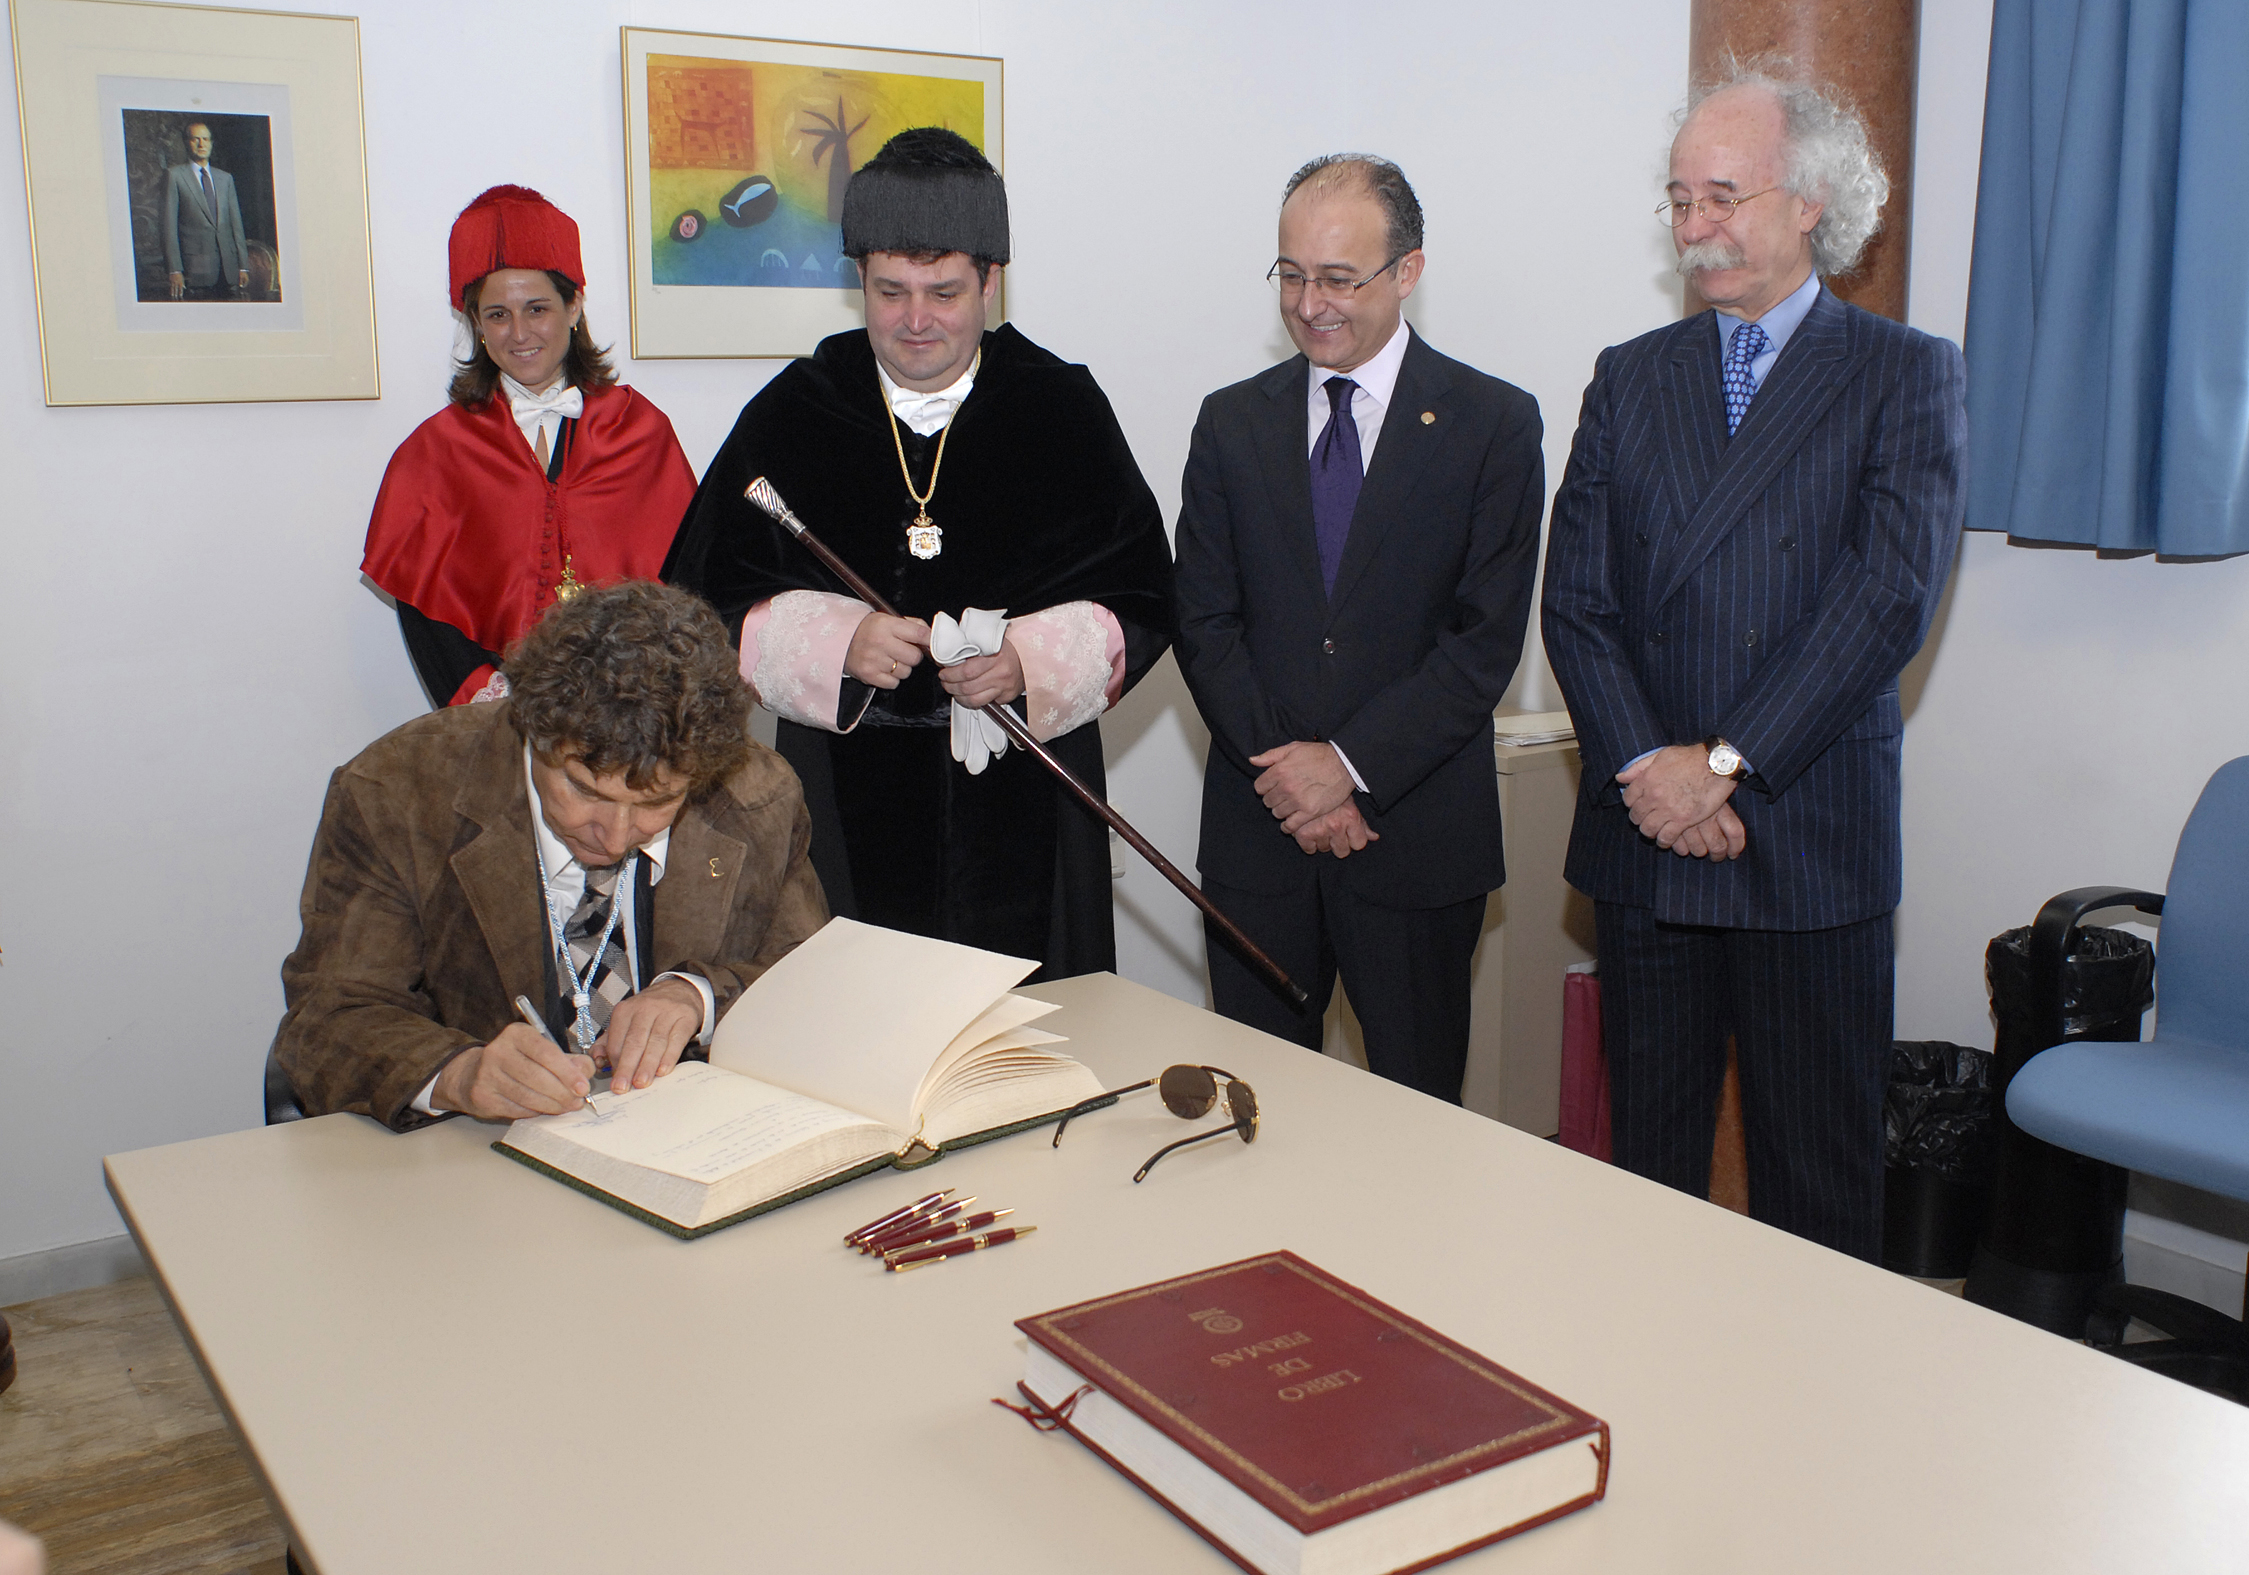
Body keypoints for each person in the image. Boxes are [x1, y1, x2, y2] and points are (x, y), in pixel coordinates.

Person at [1540, 66, 1967, 1259]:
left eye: (1719, 196)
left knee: (1816, 1193)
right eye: (1676, 200)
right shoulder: (1632, 376)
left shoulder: (1901, 372)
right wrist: (1648, 771)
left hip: (1803, 836)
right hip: (1648, 836)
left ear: (1810, 201)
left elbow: (1883, 600)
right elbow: (1574, 604)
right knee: (1647, 1181)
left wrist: (1721, 764)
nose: (1690, 228)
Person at [665, 128, 1173, 980]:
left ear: (990, 281)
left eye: (943, 293)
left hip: (1026, 791)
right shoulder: (796, 411)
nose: (914, 321)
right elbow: (692, 601)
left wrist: (1026, 661)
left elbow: (1146, 599)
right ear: (856, 278)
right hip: (842, 793)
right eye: (890, 291)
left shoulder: (1061, 409)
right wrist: (835, 642)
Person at [1171, 155, 1546, 1102]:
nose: (1309, 303)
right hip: (1259, 843)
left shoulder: (1492, 424)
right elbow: (1203, 620)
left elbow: (1482, 642)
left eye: (1338, 278)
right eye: (1290, 274)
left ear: (1407, 271)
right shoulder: (1229, 423)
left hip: (1414, 842)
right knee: (1251, 1111)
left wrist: (1345, 765)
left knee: (1417, 1125)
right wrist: (1292, 776)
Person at [272, 581, 829, 1130]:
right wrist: (459, 1074)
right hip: (468, 1167)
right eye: (586, 790)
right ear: (533, 729)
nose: (613, 836)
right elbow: (329, 1018)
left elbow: (818, 982)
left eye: (656, 803)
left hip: (689, 1140)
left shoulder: (756, 797)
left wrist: (698, 998)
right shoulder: (398, 791)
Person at [362, 186, 698, 708]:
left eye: (536, 308)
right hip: (495, 718)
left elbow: (685, 581)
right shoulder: (436, 451)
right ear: (475, 322)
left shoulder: (641, 430)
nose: (519, 334)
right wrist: (490, 701)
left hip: (632, 711)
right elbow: (424, 603)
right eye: (497, 315)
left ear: (574, 307)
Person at [163, 120, 248, 299]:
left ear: (211, 143)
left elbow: (236, 225)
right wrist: (174, 269)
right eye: (196, 139)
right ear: (187, 143)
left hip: (228, 267)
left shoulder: (225, 179)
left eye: (205, 139)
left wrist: (243, 265)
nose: (201, 144)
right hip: (195, 268)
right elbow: (168, 227)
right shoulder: (175, 176)